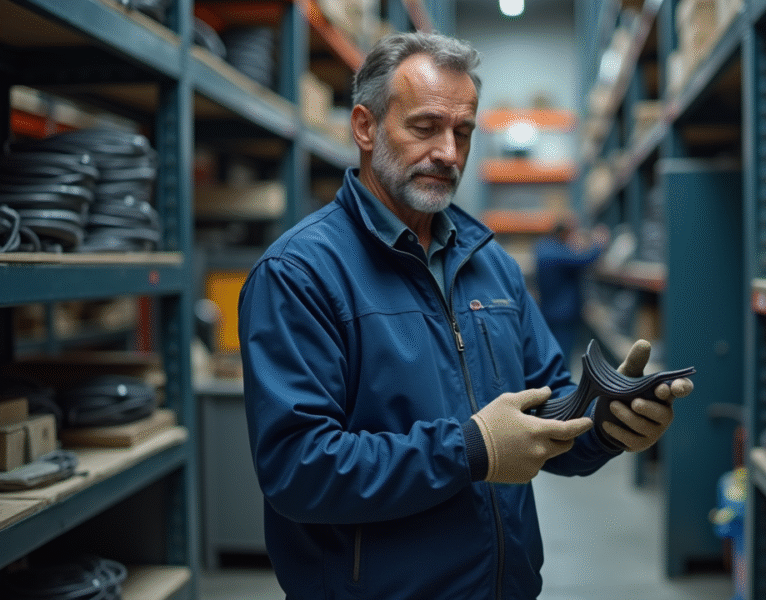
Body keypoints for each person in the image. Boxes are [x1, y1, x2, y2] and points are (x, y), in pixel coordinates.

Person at [237, 31, 693, 600]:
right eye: (425, 127)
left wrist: (606, 423)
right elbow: (297, 470)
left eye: (463, 132)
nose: (449, 153)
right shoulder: (299, 274)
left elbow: (546, 405)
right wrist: (470, 449)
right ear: (365, 126)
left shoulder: (491, 265)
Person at [534, 215, 608, 358]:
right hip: (562, 314)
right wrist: (599, 243)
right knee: (562, 352)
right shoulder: (553, 252)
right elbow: (584, 260)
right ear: (564, 233)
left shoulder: (545, 248)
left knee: (553, 351)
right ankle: (560, 379)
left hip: (551, 311)